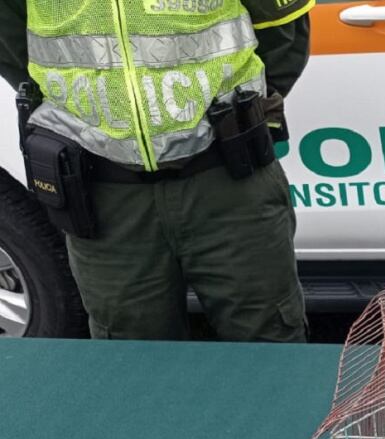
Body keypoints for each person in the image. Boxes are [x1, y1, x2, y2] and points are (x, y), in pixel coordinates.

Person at [0, 0, 314, 342]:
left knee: (269, 345)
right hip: (104, 197)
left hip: (227, 178)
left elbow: (284, 35)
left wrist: (238, 116)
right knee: (135, 358)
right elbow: (12, 44)